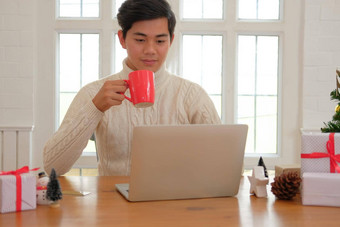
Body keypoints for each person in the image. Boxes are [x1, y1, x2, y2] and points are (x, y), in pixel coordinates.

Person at [43, 0, 221, 176]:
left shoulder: (191, 96)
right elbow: (53, 166)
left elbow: (222, 162)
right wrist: (95, 109)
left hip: (174, 202)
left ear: (171, 40)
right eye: (140, 39)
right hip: (113, 202)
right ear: (122, 39)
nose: (150, 50)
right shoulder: (94, 93)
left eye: (160, 41)